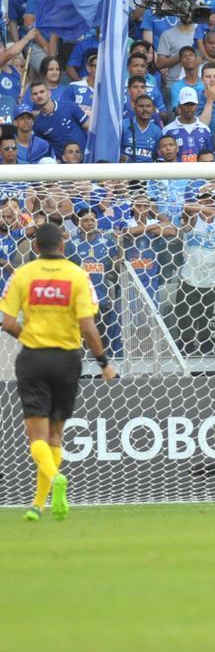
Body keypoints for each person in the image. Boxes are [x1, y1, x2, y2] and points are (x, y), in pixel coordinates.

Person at [1, 223, 117, 522]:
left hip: (34, 358)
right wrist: (103, 363)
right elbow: (88, 327)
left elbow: (7, 322)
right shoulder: (78, 275)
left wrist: (30, 336)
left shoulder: (22, 275)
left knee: (36, 437)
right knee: (55, 435)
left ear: (36, 247)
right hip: (68, 360)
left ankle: (54, 481)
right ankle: (38, 505)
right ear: (63, 246)